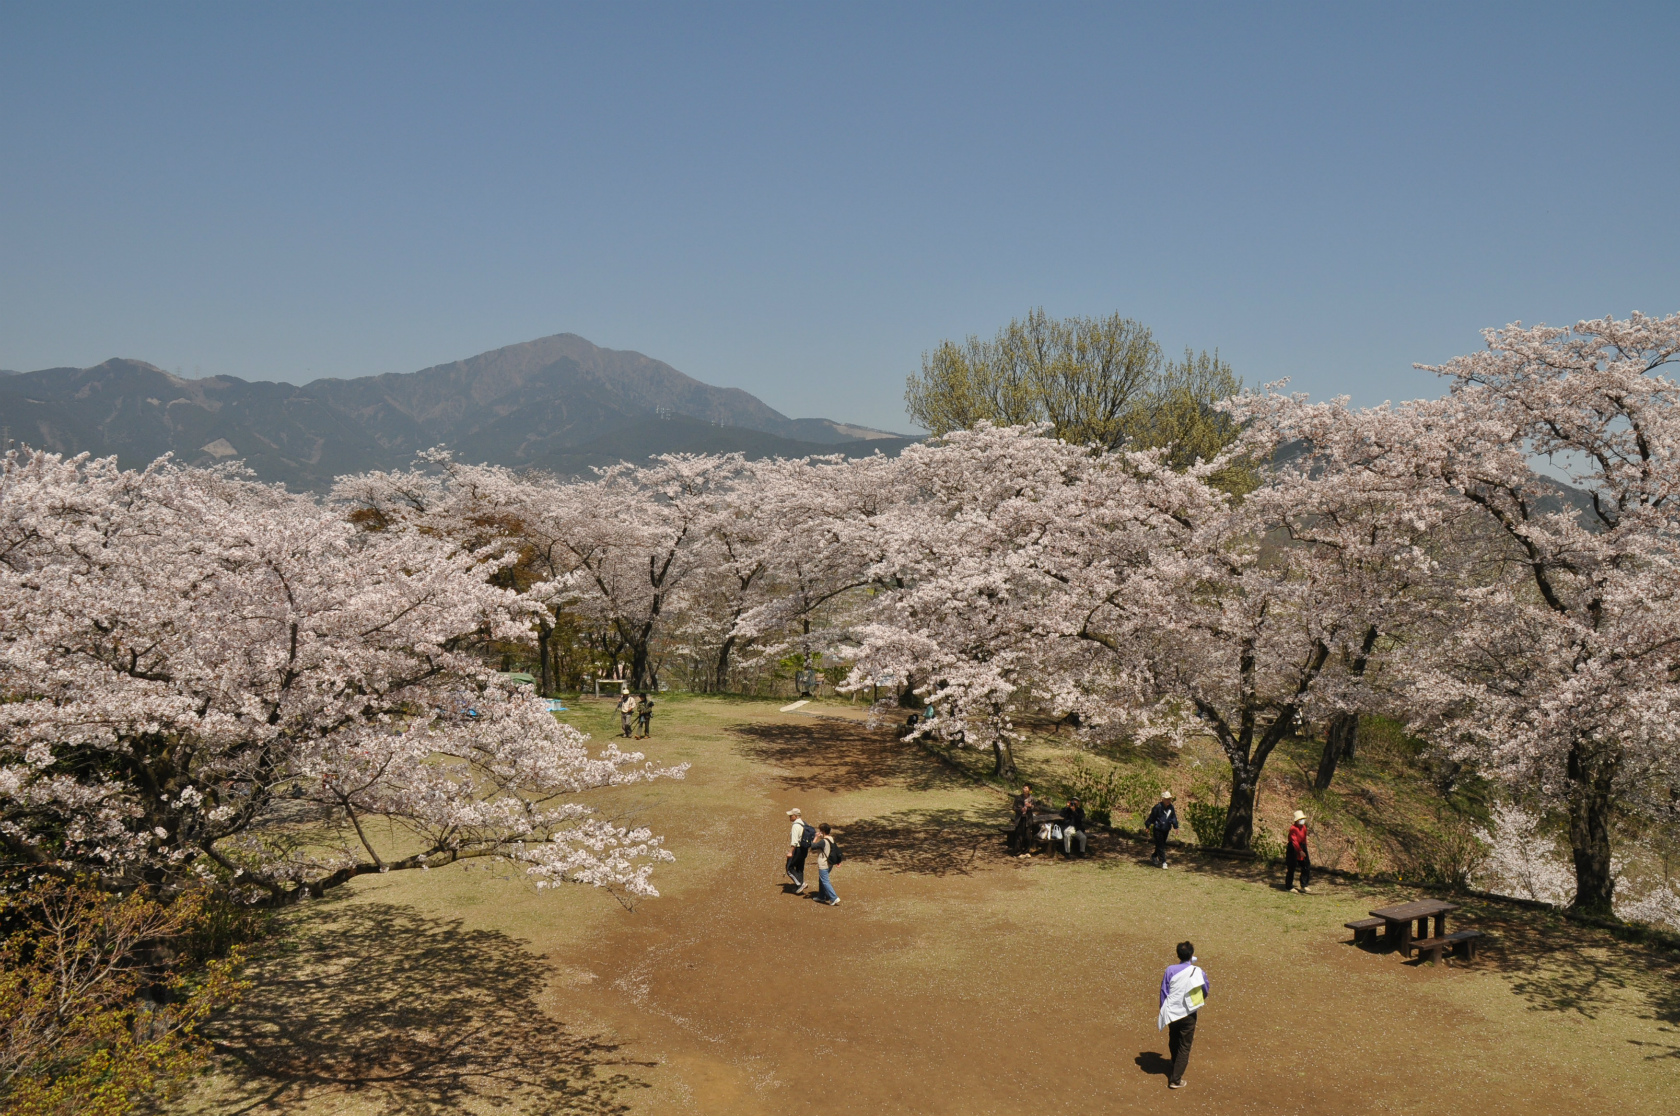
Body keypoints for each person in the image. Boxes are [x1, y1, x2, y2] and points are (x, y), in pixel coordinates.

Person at [1157, 940, 1210, 1090]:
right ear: (1191, 955)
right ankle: (1175, 1079)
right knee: (1184, 1045)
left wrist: (1163, 1009)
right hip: (1189, 1013)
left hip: (1172, 1012)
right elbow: (1205, 989)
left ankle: (1174, 1063)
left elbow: (1164, 991)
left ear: (1178, 954)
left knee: (1173, 1037)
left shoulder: (1170, 970)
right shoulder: (1198, 971)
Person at [1145, 790, 1179, 868]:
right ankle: (1164, 861)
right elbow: (1152, 817)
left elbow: (1173, 817)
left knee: (1161, 844)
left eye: (1169, 799)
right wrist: (1147, 826)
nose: (1168, 801)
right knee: (1161, 845)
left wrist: (1176, 826)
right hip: (1158, 828)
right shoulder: (1157, 807)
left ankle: (1154, 856)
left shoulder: (1171, 807)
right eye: (1167, 799)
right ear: (1163, 799)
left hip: (1166, 829)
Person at [785, 808, 813, 892]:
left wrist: (790, 852)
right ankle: (799, 886)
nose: (789, 816)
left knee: (789, 868)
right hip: (804, 849)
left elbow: (794, 841)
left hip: (797, 849)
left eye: (791, 815)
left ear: (795, 816)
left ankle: (801, 884)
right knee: (799, 868)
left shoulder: (795, 826)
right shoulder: (804, 823)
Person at [812, 822, 840, 906]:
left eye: (820, 831)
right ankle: (821, 896)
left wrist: (816, 837)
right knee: (822, 880)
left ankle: (834, 898)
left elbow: (812, 846)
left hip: (823, 864)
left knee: (825, 881)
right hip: (830, 864)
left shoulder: (823, 841)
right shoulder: (831, 838)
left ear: (823, 831)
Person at [1285, 809, 1312, 893]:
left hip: (1302, 846)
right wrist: (1299, 850)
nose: (1302, 821)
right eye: (1300, 819)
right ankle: (1288, 886)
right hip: (1293, 848)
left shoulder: (1304, 827)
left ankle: (1304, 884)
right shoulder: (1293, 828)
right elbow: (1294, 841)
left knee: (1306, 865)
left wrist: (1304, 848)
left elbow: (1304, 839)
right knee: (1291, 867)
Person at [1008, 784, 1036, 855]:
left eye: (1026, 788)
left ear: (1029, 790)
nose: (1024, 789)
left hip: (1028, 819)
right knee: (1019, 836)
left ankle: (1026, 851)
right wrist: (1020, 809)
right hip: (1020, 818)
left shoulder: (1032, 798)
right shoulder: (1018, 798)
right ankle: (1017, 852)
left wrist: (1030, 806)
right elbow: (1014, 808)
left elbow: (1036, 807)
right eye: (1023, 788)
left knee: (1028, 836)